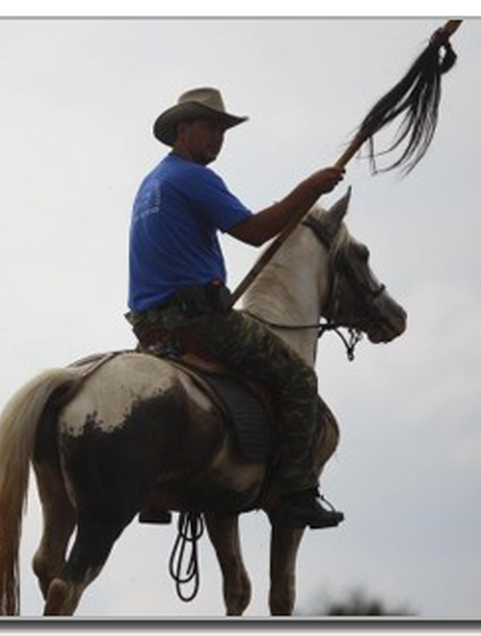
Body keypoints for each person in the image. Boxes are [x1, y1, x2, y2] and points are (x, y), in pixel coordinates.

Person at [126, 87, 345, 529]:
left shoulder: (152, 182)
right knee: (298, 377)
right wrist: (310, 188)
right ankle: (298, 492)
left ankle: (152, 487)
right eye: (210, 127)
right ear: (183, 128)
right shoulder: (194, 178)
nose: (218, 137)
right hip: (198, 321)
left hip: (149, 328)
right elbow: (254, 231)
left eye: (223, 130)